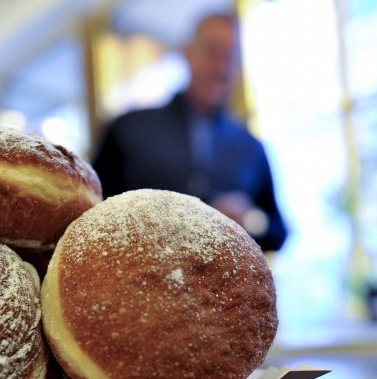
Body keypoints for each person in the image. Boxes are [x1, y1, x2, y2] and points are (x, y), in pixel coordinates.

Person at [91, 12, 287, 253]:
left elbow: (278, 231)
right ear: (187, 54)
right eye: (211, 51)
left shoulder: (252, 148)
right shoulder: (129, 128)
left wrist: (251, 219)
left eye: (230, 56)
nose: (220, 67)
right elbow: (92, 211)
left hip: (225, 287)